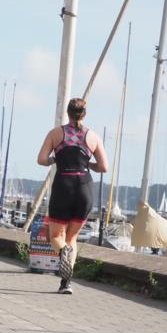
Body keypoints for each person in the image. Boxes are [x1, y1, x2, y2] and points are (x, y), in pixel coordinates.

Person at [36, 98, 108, 294]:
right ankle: (66, 283)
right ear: (84, 114)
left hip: (63, 184)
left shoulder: (56, 133)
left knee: (56, 236)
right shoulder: (93, 136)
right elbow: (103, 167)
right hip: (84, 186)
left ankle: (63, 253)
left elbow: (41, 159)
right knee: (72, 237)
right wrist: (88, 165)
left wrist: (53, 159)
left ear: (67, 113)